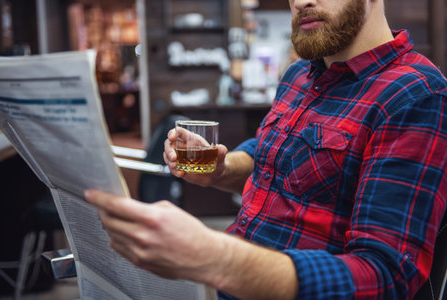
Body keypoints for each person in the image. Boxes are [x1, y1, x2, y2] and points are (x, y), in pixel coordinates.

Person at [84, 0, 447, 299]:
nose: (300, 3)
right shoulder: (299, 76)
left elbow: (385, 276)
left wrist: (216, 258)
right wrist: (221, 168)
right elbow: (270, 153)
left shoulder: (415, 95)